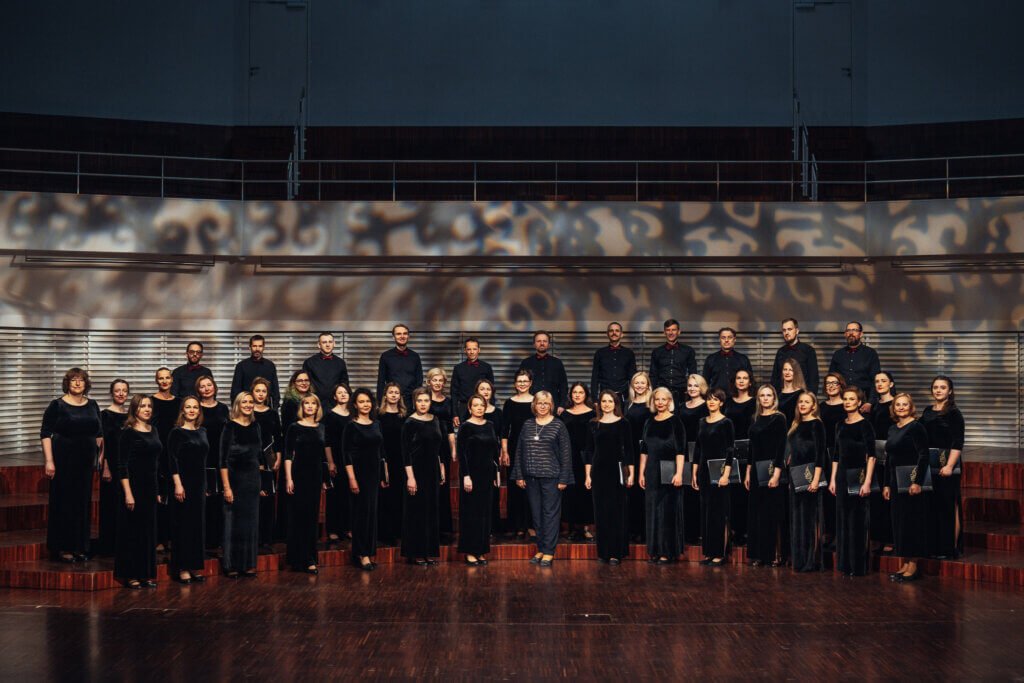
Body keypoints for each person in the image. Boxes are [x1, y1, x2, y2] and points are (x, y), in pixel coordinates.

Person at [40, 367, 102, 563]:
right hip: (63, 460)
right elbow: (45, 433)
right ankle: (63, 547)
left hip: (85, 462)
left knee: (82, 504)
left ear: (86, 384)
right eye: (73, 379)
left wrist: (101, 458)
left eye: (81, 380)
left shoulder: (93, 405)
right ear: (67, 383)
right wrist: (49, 461)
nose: (77, 383)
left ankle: (79, 546)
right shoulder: (57, 405)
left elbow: (99, 434)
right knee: (64, 503)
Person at [511, 391, 573, 567]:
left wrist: (564, 478)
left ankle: (549, 551)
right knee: (537, 515)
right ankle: (541, 547)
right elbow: (519, 451)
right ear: (534, 405)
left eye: (546, 403)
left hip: (552, 477)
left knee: (550, 515)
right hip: (530, 477)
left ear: (551, 405)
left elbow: (566, 454)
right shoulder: (528, 425)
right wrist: (519, 474)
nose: (543, 406)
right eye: (540, 403)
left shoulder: (558, 425)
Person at [883, 393, 932, 582]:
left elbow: (924, 455)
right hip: (895, 482)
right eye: (898, 405)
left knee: (912, 523)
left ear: (911, 407)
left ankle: (913, 565)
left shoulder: (917, 427)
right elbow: (889, 459)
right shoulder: (892, 428)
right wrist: (886, 484)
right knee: (900, 524)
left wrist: (917, 481)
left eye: (905, 404)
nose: (901, 407)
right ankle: (904, 563)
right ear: (893, 408)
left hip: (911, 482)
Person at [829, 387, 877, 577]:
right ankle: (844, 565)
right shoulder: (839, 425)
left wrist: (867, 482)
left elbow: (871, 456)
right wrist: (833, 479)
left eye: (852, 399)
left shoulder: (865, 425)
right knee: (843, 520)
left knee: (857, 521)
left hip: (859, 475)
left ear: (859, 402)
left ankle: (857, 566)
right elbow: (836, 455)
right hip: (841, 476)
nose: (848, 402)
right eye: (846, 399)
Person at [114, 395, 161, 589]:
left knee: (147, 532)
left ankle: (145, 573)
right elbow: (122, 465)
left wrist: (157, 489)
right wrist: (128, 493)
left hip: (150, 487)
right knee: (132, 531)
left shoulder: (153, 430)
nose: (147, 409)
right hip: (133, 487)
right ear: (134, 409)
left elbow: (156, 463)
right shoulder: (128, 433)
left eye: (149, 406)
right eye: (143, 406)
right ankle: (130, 574)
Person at [638, 387, 687, 564]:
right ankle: (655, 551)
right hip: (651, 471)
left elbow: (681, 451)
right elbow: (644, 450)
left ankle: (667, 552)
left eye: (663, 399)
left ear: (669, 402)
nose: (659, 402)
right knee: (653, 512)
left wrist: (679, 473)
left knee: (667, 512)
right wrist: (641, 472)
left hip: (669, 471)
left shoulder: (676, 422)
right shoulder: (648, 422)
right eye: (656, 399)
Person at [584, 390, 634, 564]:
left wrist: (631, 474)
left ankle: (616, 552)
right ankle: (604, 552)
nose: (606, 404)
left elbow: (629, 450)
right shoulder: (593, 424)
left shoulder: (624, 423)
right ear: (599, 404)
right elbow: (589, 451)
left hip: (617, 470)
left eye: (610, 401)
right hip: (598, 472)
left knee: (617, 511)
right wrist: (588, 475)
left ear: (616, 404)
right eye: (604, 401)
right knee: (601, 512)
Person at [284, 394, 329, 575]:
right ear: (302, 407)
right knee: (298, 517)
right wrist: (289, 478)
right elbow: (288, 455)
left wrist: (324, 479)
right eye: (307, 404)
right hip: (298, 476)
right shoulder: (294, 427)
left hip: (315, 477)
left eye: (313, 404)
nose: (310, 406)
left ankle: (310, 558)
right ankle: (297, 559)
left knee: (312, 518)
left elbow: (323, 456)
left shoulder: (321, 427)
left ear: (318, 407)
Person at [921, 375, 965, 559]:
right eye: (935, 387)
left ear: (950, 391)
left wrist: (949, 466)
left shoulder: (954, 413)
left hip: (947, 465)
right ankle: (934, 546)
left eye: (943, 387)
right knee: (932, 507)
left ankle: (949, 548)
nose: (938, 390)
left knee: (948, 507)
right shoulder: (927, 411)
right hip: (929, 465)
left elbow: (958, 442)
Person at [745, 385, 789, 567]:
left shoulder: (779, 418)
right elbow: (751, 447)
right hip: (756, 470)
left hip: (772, 469)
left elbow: (781, 447)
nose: (765, 398)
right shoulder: (755, 419)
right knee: (757, 513)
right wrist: (748, 472)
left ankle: (775, 554)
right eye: (762, 395)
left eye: (769, 395)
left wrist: (777, 474)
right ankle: (759, 554)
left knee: (772, 513)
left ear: (774, 398)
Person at [220, 392, 262, 578]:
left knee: (250, 524)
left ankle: (248, 563)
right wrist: (227, 487)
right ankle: (232, 565)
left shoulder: (256, 426)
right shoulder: (229, 426)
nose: (248, 404)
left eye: (250, 402)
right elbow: (222, 460)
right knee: (233, 523)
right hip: (234, 480)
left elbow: (259, 455)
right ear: (237, 405)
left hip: (252, 480)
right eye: (244, 401)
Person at [167, 396, 209, 584]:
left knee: (197, 526)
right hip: (182, 483)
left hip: (199, 484)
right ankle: (182, 568)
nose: (192, 410)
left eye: (195, 407)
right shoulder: (176, 433)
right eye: (188, 407)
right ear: (182, 411)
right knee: (183, 526)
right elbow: (172, 460)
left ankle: (194, 566)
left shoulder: (203, 431)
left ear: (199, 411)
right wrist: (178, 484)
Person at [344, 388, 386, 571]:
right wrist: (352, 479)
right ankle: (361, 554)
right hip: (359, 474)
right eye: (361, 401)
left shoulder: (377, 424)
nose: (365, 404)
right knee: (361, 515)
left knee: (371, 514)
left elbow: (381, 451)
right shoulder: (351, 426)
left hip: (374, 474)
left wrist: (384, 474)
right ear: (355, 404)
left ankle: (368, 551)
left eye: (368, 401)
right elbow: (346, 455)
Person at [402, 388, 444, 566]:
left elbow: (439, 447)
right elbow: (405, 453)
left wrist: (441, 468)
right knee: (416, 512)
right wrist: (410, 478)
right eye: (419, 401)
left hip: (432, 471)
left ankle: (428, 552)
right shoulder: (409, 422)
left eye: (426, 400)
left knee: (431, 511)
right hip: (416, 471)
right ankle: (415, 552)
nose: (423, 404)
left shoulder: (435, 420)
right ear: (414, 402)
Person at [694, 388, 736, 566]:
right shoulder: (702, 422)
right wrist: (694, 472)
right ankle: (709, 553)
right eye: (709, 399)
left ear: (721, 402)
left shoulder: (726, 423)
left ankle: (719, 553)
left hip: (719, 472)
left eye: (715, 399)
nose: (711, 402)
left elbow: (730, 450)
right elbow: (698, 448)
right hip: (704, 471)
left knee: (718, 513)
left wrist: (726, 474)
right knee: (706, 512)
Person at [458, 395, 501, 566]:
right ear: (469, 408)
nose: (479, 408)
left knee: (484, 514)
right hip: (471, 476)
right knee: (471, 514)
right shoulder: (465, 427)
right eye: (475, 405)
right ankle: (470, 551)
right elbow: (462, 454)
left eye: (481, 405)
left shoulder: (490, 425)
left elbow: (494, 451)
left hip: (487, 475)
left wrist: (496, 474)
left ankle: (481, 550)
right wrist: (466, 476)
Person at [787, 392, 826, 572]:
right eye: (800, 402)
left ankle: (810, 561)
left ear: (813, 405)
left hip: (811, 477)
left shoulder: (817, 424)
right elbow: (793, 455)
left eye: (807, 402)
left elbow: (820, 454)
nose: (802, 404)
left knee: (809, 520)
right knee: (797, 519)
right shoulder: (795, 425)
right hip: (796, 477)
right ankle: (799, 560)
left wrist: (816, 479)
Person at [96, 379, 130, 557]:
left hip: (127, 468)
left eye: (124, 390)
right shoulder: (104, 415)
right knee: (110, 506)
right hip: (111, 466)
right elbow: (102, 444)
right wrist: (105, 467)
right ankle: (109, 546)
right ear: (112, 392)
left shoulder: (131, 416)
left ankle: (123, 545)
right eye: (117, 390)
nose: (121, 393)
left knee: (125, 506)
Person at [559, 382, 595, 541]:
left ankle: (586, 528)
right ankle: (573, 528)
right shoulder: (564, 414)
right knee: (571, 492)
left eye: (581, 392)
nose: (578, 395)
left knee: (586, 492)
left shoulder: (593, 414)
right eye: (575, 392)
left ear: (586, 395)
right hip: (569, 458)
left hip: (587, 457)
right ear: (570, 395)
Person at [197, 374, 229, 551]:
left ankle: (219, 539)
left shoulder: (223, 408)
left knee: (221, 500)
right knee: (206, 499)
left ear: (215, 387)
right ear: (198, 390)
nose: (206, 388)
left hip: (221, 458)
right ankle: (205, 540)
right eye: (202, 386)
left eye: (209, 385)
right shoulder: (195, 408)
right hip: (203, 459)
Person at [502, 370, 535, 538]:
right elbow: (504, 430)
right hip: (514, 448)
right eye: (519, 381)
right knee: (515, 487)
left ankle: (531, 524)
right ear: (515, 384)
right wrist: (505, 451)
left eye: (525, 381)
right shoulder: (509, 403)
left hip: (534, 448)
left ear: (530, 383)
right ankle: (517, 525)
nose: (522, 384)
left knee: (532, 487)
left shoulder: (536, 401)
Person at [724, 369, 756, 546]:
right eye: (738, 378)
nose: (741, 381)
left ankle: (746, 532)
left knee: (746, 492)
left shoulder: (755, 403)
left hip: (749, 453)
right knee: (732, 494)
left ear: (750, 382)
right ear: (734, 381)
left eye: (745, 378)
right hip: (731, 453)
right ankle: (734, 531)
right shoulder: (728, 402)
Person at [251, 377, 283, 551]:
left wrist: (278, 458)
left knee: (268, 498)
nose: (261, 394)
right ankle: (254, 536)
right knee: (254, 497)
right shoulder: (247, 411)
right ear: (252, 392)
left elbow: (277, 436)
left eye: (264, 391)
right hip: (251, 458)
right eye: (258, 391)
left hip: (269, 458)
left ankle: (267, 537)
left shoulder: (272, 414)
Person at [150, 367, 180, 552]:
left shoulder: (179, 402)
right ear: (156, 380)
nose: (164, 381)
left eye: (167, 378)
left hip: (175, 452)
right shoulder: (151, 402)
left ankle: (173, 537)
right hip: (157, 452)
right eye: (161, 378)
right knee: (159, 497)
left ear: (172, 380)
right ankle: (159, 539)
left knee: (175, 497)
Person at [677, 374, 708, 544]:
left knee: (699, 491)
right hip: (683, 453)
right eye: (690, 385)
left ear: (702, 387)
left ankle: (700, 532)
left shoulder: (707, 406)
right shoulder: (681, 407)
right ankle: (687, 533)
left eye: (696, 385)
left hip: (701, 452)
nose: (692, 388)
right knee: (686, 493)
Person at [426, 368, 457, 540]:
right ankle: (429, 524)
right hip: (428, 444)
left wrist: (453, 448)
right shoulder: (423, 399)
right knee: (430, 483)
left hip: (444, 443)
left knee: (443, 484)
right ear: (428, 381)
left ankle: (443, 526)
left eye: (440, 380)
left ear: (444, 383)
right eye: (434, 380)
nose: (437, 383)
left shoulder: (449, 401)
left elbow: (450, 428)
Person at [819, 372, 847, 550]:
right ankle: (828, 532)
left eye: (834, 383)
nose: (830, 386)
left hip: (840, 455)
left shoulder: (846, 405)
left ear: (841, 385)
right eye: (827, 383)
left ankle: (839, 534)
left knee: (838, 495)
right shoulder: (821, 407)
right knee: (826, 496)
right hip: (824, 455)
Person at [869, 371, 896, 553]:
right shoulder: (874, 406)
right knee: (876, 499)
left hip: (890, 456)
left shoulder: (896, 404)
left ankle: (890, 538)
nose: (879, 384)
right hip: (875, 457)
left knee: (889, 499)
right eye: (877, 381)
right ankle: (877, 537)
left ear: (891, 384)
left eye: (883, 381)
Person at [377, 383, 407, 546]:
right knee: (385, 496)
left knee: (399, 496)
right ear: (385, 395)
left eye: (397, 392)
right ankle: (385, 532)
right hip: (385, 460)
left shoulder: (405, 415)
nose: (394, 395)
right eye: (391, 392)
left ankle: (398, 530)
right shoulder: (378, 415)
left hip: (401, 461)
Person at [323, 383, 353, 545]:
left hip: (352, 460)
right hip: (336, 458)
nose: (343, 395)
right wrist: (330, 462)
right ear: (334, 396)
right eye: (339, 393)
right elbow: (327, 442)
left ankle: (347, 527)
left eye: (345, 392)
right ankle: (333, 530)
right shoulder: (329, 415)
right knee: (335, 495)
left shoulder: (353, 414)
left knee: (350, 495)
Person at [625, 372, 653, 542]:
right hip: (631, 451)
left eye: (643, 383)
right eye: (637, 383)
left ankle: (645, 531)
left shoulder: (652, 405)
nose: (640, 386)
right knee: (632, 491)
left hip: (647, 452)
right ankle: (633, 530)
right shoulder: (627, 404)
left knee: (645, 490)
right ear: (632, 385)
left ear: (648, 385)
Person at [648, 319, 697, 408]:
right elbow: (653, 375)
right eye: (668, 330)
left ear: (679, 332)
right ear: (664, 332)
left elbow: (693, 374)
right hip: (662, 394)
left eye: (673, 330)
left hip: (682, 394)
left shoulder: (688, 351)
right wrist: (652, 393)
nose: (671, 333)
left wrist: (690, 391)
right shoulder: (656, 352)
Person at [828, 322, 881, 403]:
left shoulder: (870, 353)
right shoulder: (838, 354)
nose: (851, 333)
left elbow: (875, 379)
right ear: (845, 334)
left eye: (854, 330)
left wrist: (870, 402)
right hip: (842, 400)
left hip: (864, 400)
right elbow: (831, 378)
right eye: (848, 330)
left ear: (861, 334)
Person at [517, 331, 568, 411]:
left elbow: (563, 386)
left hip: (553, 406)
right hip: (530, 405)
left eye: (544, 341)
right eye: (539, 341)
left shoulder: (557, 363)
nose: (542, 343)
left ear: (549, 344)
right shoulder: (526, 363)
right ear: (534, 344)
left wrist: (562, 405)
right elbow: (520, 384)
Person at [376, 324, 423, 407]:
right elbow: (381, 382)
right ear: (393, 337)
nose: (402, 336)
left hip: (410, 402)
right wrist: (380, 404)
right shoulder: (385, 356)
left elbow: (419, 381)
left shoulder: (415, 356)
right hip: (392, 401)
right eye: (398, 334)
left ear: (408, 336)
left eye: (405, 333)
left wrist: (417, 401)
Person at [590, 322, 637, 401]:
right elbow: (595, 377)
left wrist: (634, 397)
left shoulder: (629, 353)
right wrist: (595, 399)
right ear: (607, 334)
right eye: (611, 331)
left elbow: (633, 378)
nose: (614, 333)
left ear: (622, 334)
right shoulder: (599, 353)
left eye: (617, 331)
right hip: (604, 396)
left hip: (624, 397)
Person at [771, 318, 819, 395]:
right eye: (784, 330)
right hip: (783, 397)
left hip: (802, 397)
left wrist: (810, 398)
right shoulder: (780, 352)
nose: (786, 332)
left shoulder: (808, 350)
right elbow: (774, 378)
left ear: (797, 331)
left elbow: (813, 379)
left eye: (789, 329)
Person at [231, 335, 281, 408]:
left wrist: (275, 410)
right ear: (250, 347)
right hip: (247, 408)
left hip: (266, 408)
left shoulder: (270, 365)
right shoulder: (241, 366)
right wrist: (237, 409)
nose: (257, 349)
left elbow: (275, 391)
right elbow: (235, 391)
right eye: (254, 346)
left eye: (260, 346)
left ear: (263, 347)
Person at [451, 337, 494, 421]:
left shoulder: (487, 367)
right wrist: (455, 414)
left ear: (479, 350)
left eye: (474, 349)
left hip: (482, 406)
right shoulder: (458, 368)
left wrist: (491, 409)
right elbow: (454, 393)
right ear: (465, 350)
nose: (472, 352)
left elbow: (491, 391)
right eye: (469, 349)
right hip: (463, 408)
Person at [302, 332, 349, 407]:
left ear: (334, 344)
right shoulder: (309, 362)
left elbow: (345, 385)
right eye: (324, 342)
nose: (328, 345)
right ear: (319, 345)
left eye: (330, 342)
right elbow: (305, 385)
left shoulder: (341, 363)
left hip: (336, 405)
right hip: (316, 404)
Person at [702, 327, 754, 394]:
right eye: (723, 337)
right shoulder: (710, 358)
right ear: (719, 339)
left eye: (729, 337)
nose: (726, 340)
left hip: (737, 397)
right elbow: (705, 382)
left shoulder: (743, 359)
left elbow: (750, 381)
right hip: (716, 397)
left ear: (734, 339)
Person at [280, 370, 313, 438]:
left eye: (306, 380)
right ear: (294, 383)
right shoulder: (289, 402)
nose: (304, 383)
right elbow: (287, 428)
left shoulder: (313, 399)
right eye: (300, 381)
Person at [777, 359, 806, 424]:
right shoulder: (777, 392)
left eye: (791, 370)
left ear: (796, 373)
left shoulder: (801, 393)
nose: (787, 372)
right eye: (785, 369)